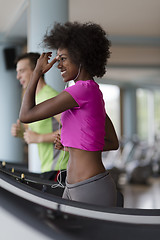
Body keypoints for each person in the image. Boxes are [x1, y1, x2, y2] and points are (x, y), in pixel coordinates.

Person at [19, 22, 119, 207]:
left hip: (90, 188)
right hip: (74, 186)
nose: (58, 65)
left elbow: (26, 114)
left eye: (63, 59)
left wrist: (37, 73)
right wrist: (72, 144)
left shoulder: (81, 90)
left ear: (80, 58)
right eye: (57, 59)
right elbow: (113, 142)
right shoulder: (92, 92)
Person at [11, 52, 69, 181]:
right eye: (17, 71)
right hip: (48, 168)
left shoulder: (49, 96)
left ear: (36, 70)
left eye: (22, 71)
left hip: (60, 168)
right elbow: (39, 133)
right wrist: (22, 133)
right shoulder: (35, 98)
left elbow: (71, 129)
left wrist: (40, 138)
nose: (18, 76)